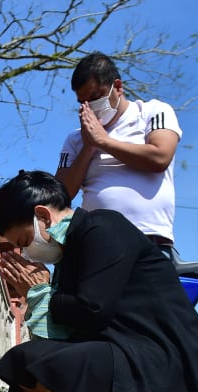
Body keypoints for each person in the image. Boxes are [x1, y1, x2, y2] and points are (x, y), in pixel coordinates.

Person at [0, 170, 198, 392]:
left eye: (24, 240)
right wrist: (42, 295)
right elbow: (69, 330)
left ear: (42, 216)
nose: (27, 252)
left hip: (162, 359)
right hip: (124, 354)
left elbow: (92, 310)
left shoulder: (102, 227)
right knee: (24, 382)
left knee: (29, 362)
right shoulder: (69, 252)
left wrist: (41, 293)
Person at [55, 52, 181, 253]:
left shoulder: (152, 112)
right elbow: (61, 195)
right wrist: (89, 147)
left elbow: (160, 158)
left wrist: (104, 141)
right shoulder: (75, 139)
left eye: (95, 97)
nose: (90, 107)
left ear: (118, 87)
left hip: (149, 238)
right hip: (97, 244)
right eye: (83, 102)